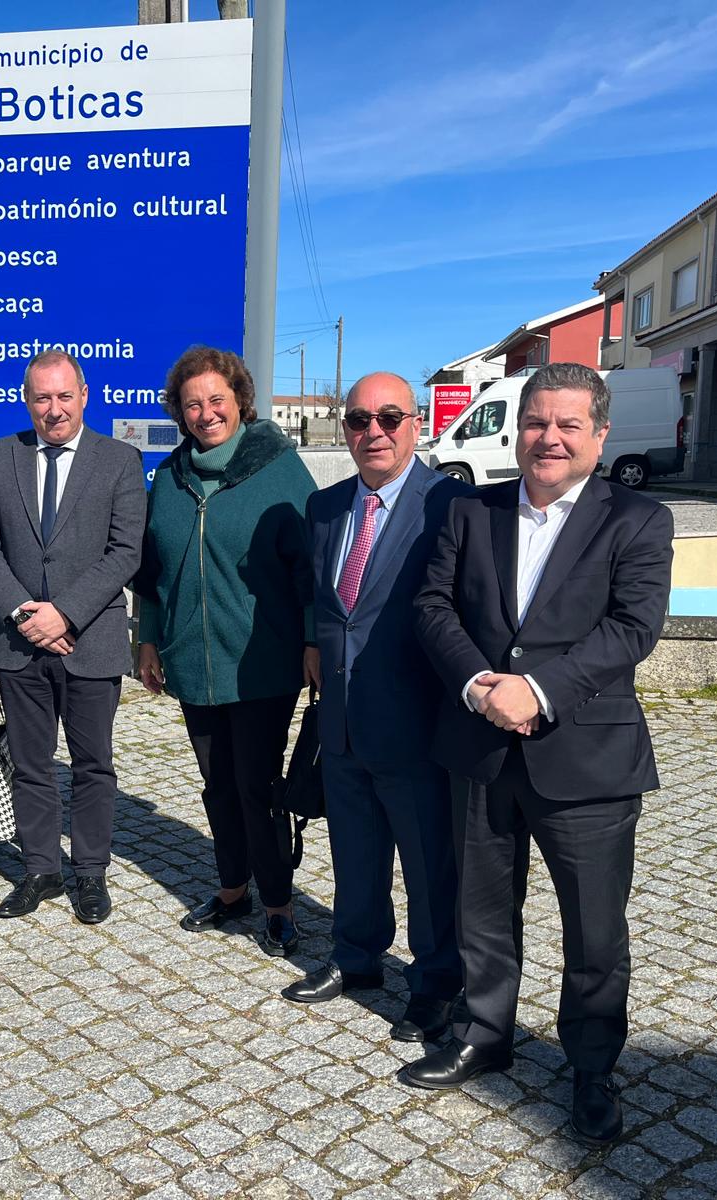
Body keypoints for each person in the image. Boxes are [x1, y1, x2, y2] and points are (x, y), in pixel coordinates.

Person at [405, 362, 673, 1148]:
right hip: (480, 745)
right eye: (535, 422)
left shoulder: (639, 518)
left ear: (600, 435)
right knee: (482, 912)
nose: (548, 438)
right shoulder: (471, 509)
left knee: (594, 930)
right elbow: (433, 605)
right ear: (518, 429)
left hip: (586, 758)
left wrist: (539, 690)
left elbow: (633, 627)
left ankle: (591, 1068)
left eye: (567, 425)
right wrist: (479, 684)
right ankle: (486, 1035)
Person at [281, 372, 468, 1042]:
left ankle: (436, 982)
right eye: (359, 420)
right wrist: (313, 640)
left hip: (416, 722)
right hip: (341, 716)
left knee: (428, 864)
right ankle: (356, 956)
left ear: (416, 423)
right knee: (354, 851)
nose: (374, 432)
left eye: (389, 417)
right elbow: (324, 596)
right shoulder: (326, 507)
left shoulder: (451, 503)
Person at [135, 346, 318, 957]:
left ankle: (279, 904)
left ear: (240, 399)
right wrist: (148, 638)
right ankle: (233, 889)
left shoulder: (280, 471)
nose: (206, 413)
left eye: (217, 399)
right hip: (193, 659)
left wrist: (313, 640)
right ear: (179, 413)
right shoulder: (169, 479)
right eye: (193, 404)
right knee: (217, 785)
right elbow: (155, 571)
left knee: (257, 786)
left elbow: (310, 570)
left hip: (261, 661)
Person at [0, 350, 145, 924]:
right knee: (30, 765)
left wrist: (64, 614)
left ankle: (90, 871)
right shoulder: (0, 456)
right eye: (42, 397)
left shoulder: (119, 460)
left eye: (65, 396)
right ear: (27, 400)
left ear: (84, 396)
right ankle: (40, 869)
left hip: (90, 641)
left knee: (93, 764)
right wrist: (24, 613)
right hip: (18, 645)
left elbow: (126, 551)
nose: (54, 409)